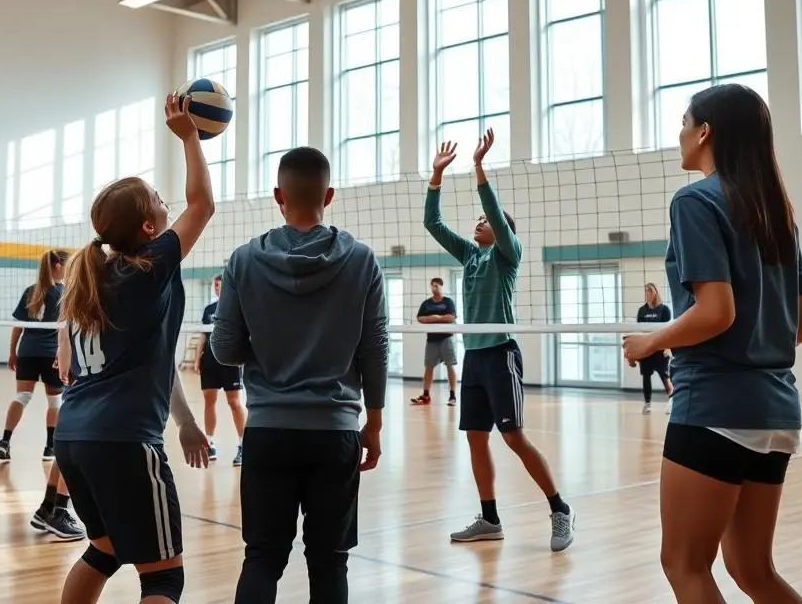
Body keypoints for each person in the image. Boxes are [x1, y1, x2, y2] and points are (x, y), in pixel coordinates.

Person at [623, 84, 802, 604]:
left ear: (705, 132)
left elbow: (716, 312)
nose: (679, 133)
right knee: (753, 570)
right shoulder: (778, 214)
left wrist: (650, 343)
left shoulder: (695, 200)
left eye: (684, 122)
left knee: (684, 565)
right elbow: (797, 324)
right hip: (776, 412)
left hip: (715, 406)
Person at [52, 92, 213, 604]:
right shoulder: (148, 267)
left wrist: (184, 420)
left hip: (72, 438)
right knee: (163, 579)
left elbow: (153, 364)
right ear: (148, 227)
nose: (168, 205)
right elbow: (203, 205)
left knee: (103, 552)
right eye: (159, 200)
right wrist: (190, 138)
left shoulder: (93, 280)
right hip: (123, 441)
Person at [212, 146, 389, 604]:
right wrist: (374, 422)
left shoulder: (243, 260)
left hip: (268, 431)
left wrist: (265, 347)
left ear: (278, 195)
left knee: (262, 558)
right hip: (335, 432)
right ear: (328, 196)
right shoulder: (363, 260)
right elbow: (375, 350)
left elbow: (225, 349)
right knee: (330, 561)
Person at [423, 131, 574, 552]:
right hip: (473, 356)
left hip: (501, 353)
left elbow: (494, 211)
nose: (479, 221)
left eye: (485, 220)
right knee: (475, 437)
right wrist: (436, 176)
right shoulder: (470, 255)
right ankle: (489, 519)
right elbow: (432, 224)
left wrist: (478, 168)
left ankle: (560, 509)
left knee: (513, 438)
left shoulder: (508, 254)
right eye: (478, 219)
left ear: (503, 230)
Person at [0, 249, 68, 462]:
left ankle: (5, 441)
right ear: (58, 266)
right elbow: (67, 330)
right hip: (52, 354)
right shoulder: (64, 293)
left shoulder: (31, 291)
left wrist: (12, 353)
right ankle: (49, 448)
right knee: (55, 401)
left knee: (22, 396)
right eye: (67, 266)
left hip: (27, 352)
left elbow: (18, 326)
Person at [197, 273, 246, 465]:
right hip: (210, 361)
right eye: (215, 285)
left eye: (220, 285)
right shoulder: (209, 309)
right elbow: (203, 335)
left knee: (234, 402)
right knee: (209, 400)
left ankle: (243, 445)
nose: (217, 288)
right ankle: (209, 443)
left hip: (229, 361)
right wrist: (197, 359)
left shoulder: (237, 306)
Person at [410, 277, 458, 406]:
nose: (434, 288)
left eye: (437, 286)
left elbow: (451, 317)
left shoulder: (448, 302)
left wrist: (433, 318)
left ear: (441, 287)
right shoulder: (426, 303)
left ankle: (452, 396)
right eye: (432, 286)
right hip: (431, 340)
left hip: (446, 338)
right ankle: (426, 395)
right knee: (428, 367)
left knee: (450, 366)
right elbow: (420, 318)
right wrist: (438, 317)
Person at [633, 283, 673, 414]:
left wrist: (667, 347)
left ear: (655, 292)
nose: (647, 293)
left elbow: (667, 330)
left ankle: (672, 400)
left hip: (660, 348)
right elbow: (639, 330)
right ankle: (647, 404)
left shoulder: (664, 310)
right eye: (645, 291)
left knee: (665, 376)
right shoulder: (642, 311)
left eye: (649, 291)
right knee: (646, 376)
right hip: (646, 348)